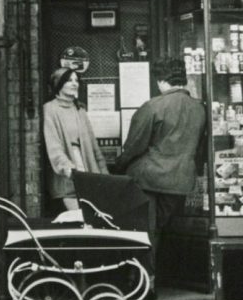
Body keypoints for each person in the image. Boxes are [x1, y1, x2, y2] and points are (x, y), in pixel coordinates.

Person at [113, 57, 207, 249]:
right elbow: (200, 148)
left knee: (144, 235)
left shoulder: (153, 106)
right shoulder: (200, 108)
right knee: (163, 232)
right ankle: (158, 275)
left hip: (149, 180)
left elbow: (133, 146)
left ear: (161, 80)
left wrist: (118, 166)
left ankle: (145, 276)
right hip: (180, 182)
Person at [42, 67, 107, 213]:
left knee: (93, 216)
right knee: (79, 217)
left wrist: (103, 172)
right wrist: (67, 168)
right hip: (67, 174)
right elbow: (53, 146)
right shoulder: (49, 109)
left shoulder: (80, 109)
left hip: (87, 169)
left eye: (76, 80)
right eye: (69, 80)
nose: (74, 83)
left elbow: (93, 145)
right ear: (58, 84)